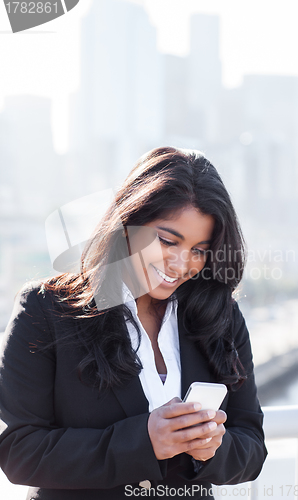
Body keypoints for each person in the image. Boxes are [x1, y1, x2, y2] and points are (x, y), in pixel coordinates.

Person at [0, 147, 267, 500]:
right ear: (127, 223)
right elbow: (21, 452)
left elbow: (251, 446)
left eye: (199, 250)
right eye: (168, 240)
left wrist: (212, 448)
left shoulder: (220, 316)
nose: (180, 263)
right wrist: (144, 441)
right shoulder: (46, 310)